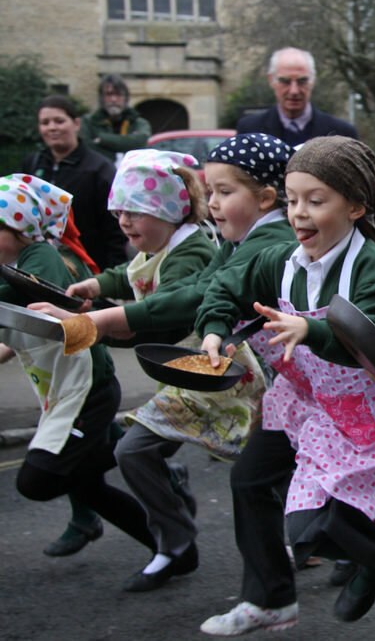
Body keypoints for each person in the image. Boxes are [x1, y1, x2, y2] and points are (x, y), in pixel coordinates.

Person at [194, 137, 375, 639]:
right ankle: (273, 599)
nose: (299, 213)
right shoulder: (282, 260)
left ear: (356, 206)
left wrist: (313, 331)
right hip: (310, 408)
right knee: (261, 488)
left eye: (316, 201)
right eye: (293, 199)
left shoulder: (373, 268)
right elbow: (227, 285)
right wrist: (214, 328)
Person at [36, 135, 295, 593]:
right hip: (220, 368)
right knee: (258, 475)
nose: (212, 204)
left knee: (275, 476)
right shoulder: (240, 239)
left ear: (265, 198)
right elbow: (208, 290)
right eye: (209, 191)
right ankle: (236, 568)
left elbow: (191, 299)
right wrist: (99, 304)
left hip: (245, 372)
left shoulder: (265, 240)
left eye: (224, 192)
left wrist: (96, 324)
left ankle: (331, 555)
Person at [53, 148, 217, 589]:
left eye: (136, 212)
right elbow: (132, 273)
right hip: (183, 373)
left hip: (210, 375)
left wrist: (105, 325)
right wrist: (98, 284)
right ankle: (177, 536)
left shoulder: (190, 252)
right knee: (138, 451)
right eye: (120, 212)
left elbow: (167, 309)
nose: (124, 222)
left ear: (170, 211)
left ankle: (178, 545)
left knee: (133, 451)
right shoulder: (159, 245)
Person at [0, 174, 157, 583]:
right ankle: (170, 546)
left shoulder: (39, 259)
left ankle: (137, 451)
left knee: (37, 482)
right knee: (88, 486)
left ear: (18, 228)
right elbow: (19, 330)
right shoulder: (14, 264)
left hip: (89, 388)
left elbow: (20, 299)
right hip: (61, 389)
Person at [21, 95, 128, 271]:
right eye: (45, 122)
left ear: (76, 124)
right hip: (39, 270)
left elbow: (115, 231)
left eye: (59, 121)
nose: (52, 127)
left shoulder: (99, 169)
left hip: (88, 270)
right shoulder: (32, 164)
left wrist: (108, 280)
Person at [236, 47, 358, 147]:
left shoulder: (342, 134)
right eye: (285, 81)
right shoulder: (249, 131)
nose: (294, 91)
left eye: (302, 81)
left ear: (313, 81)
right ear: (271, 80)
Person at [78, 74, 152, 165]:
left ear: (126, 98)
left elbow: (140, 142)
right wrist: (126, 144)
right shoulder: (88, 122)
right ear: (102, 97)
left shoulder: (139, 123)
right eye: (109, 94)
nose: (113, 99)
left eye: (118, 94)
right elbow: (88, 150)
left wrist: (102, 139)